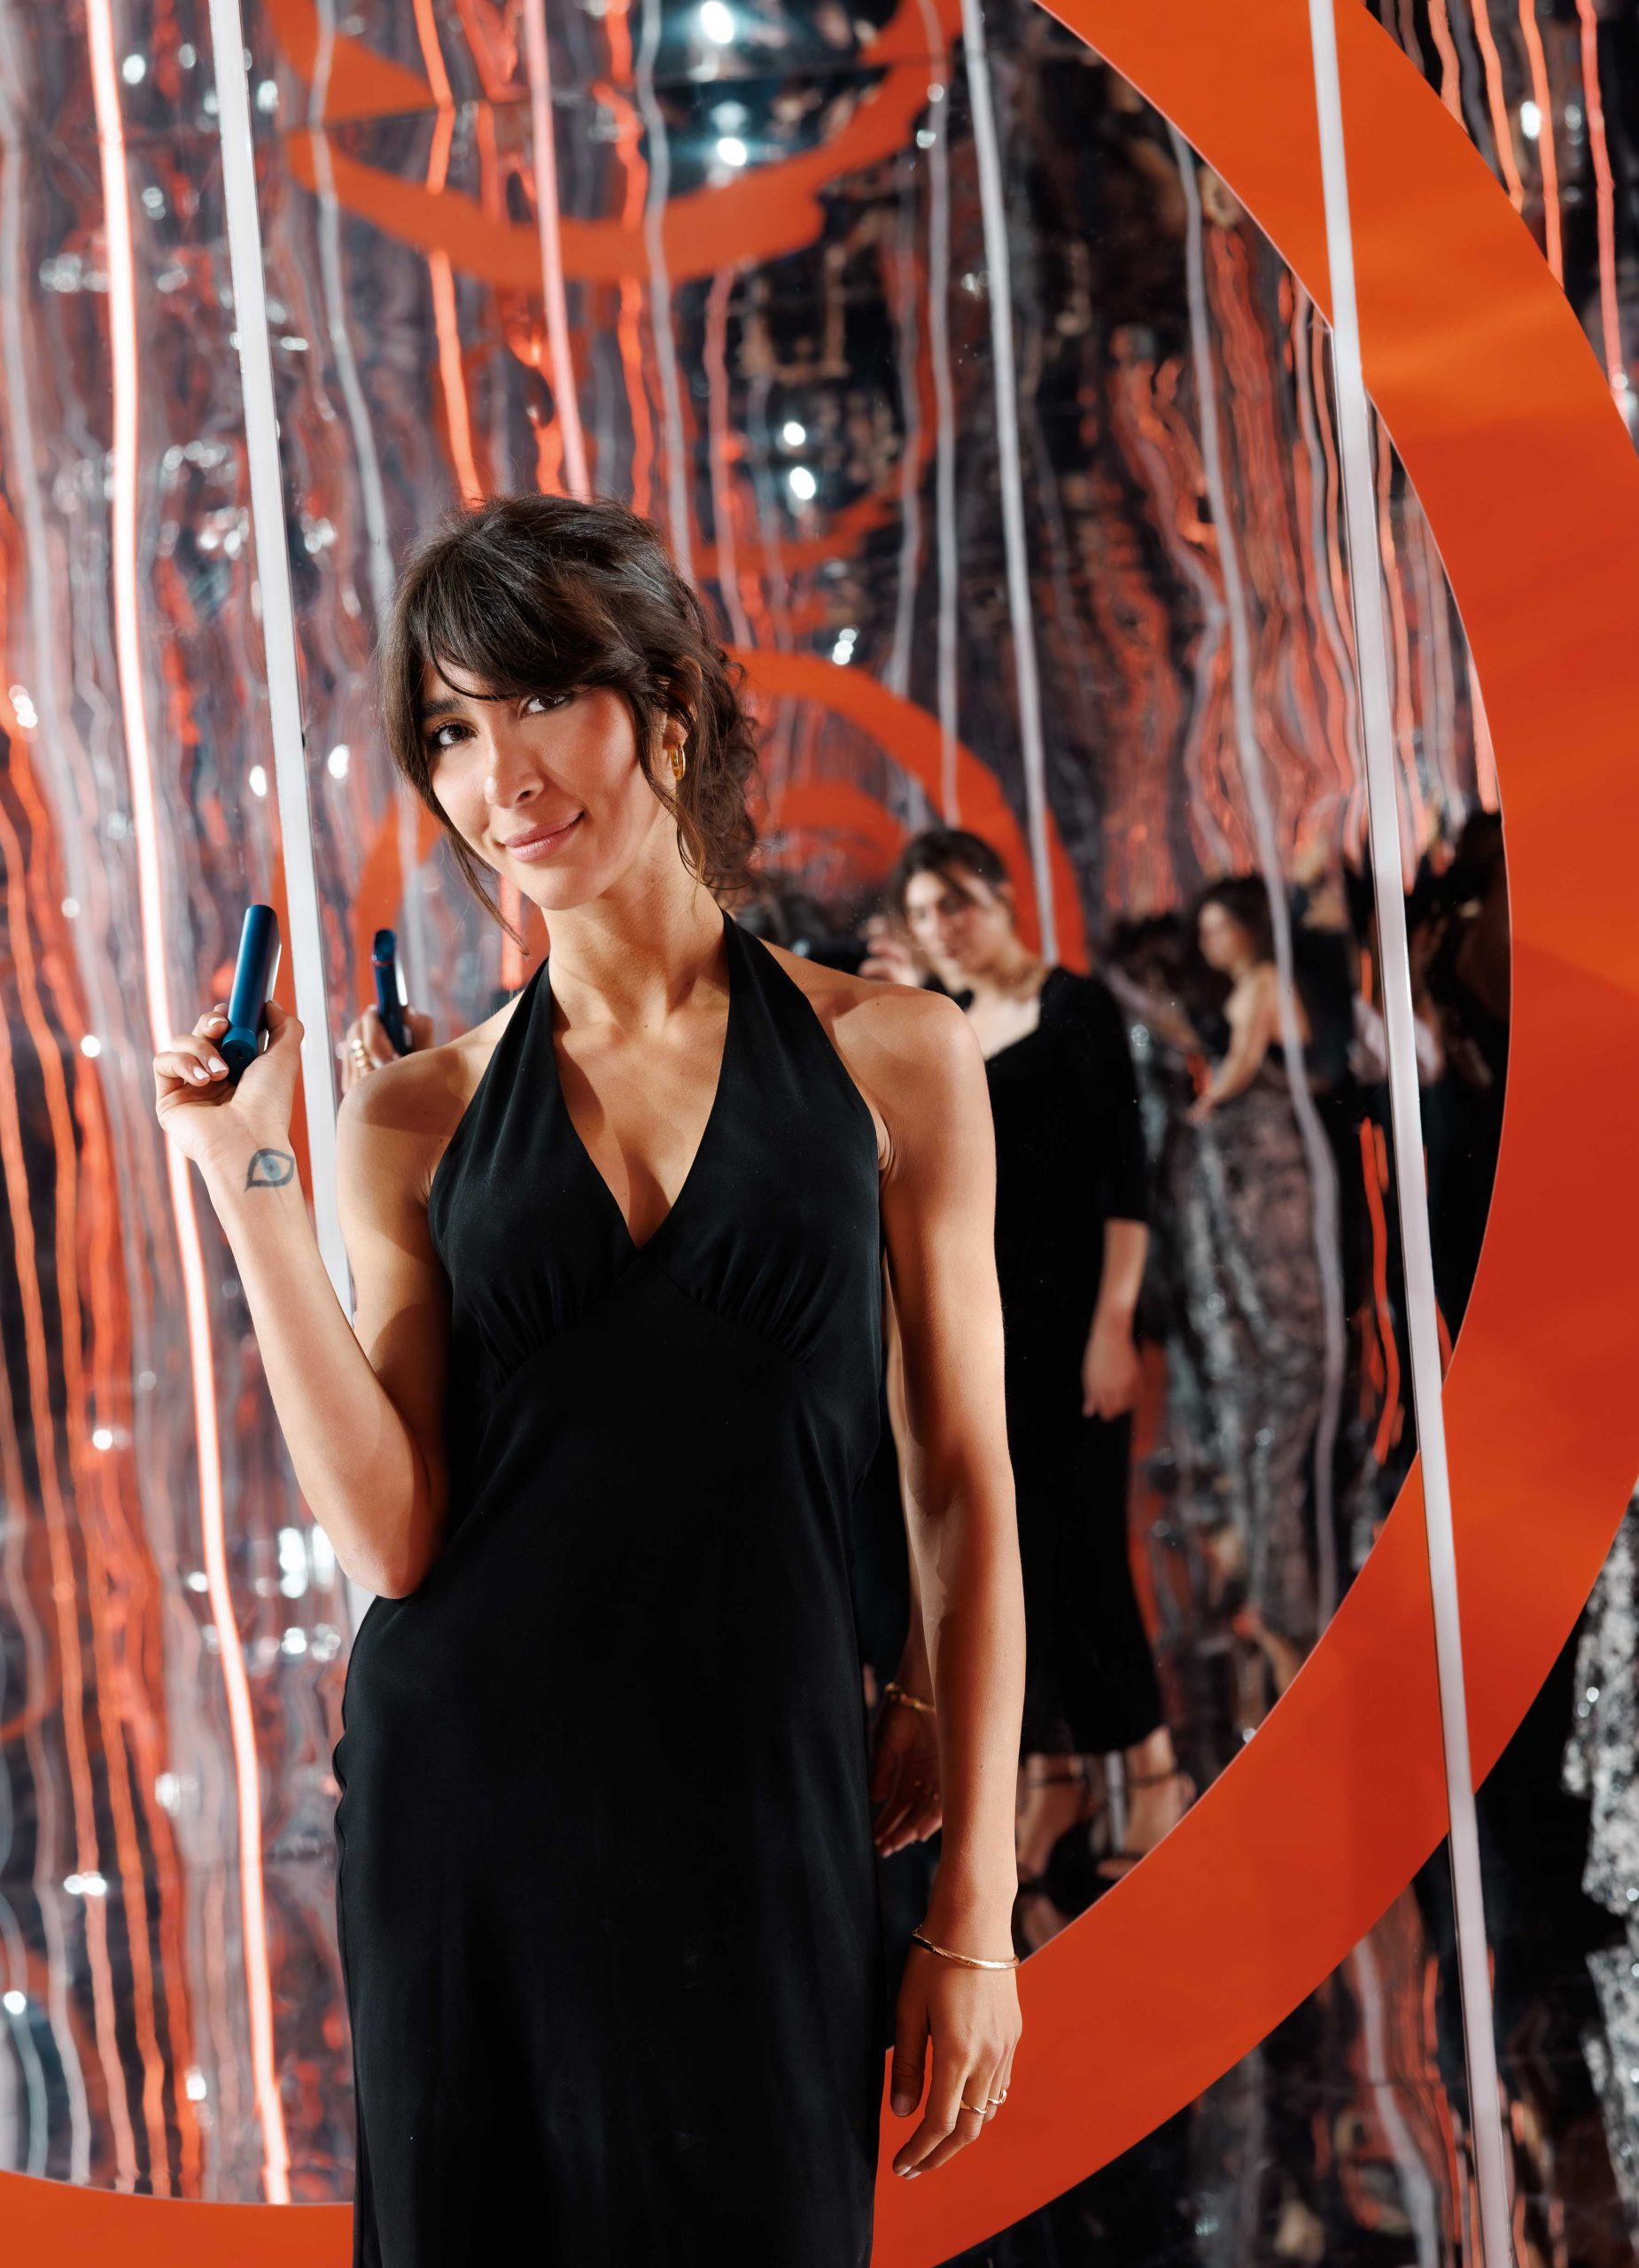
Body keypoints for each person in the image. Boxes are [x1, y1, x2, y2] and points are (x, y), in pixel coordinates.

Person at [151, 495, 1025, 2264]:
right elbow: (394, 1536)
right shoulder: (414, 1113)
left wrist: (975, 1906)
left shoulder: (893, 1055)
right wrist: (251, 1186)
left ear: (668, 705)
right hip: (465, 1819)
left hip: (766, 1800)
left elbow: (960, 1477)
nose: (501, 776)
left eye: (540, 698)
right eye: (452, 733)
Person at [865, 828, 1191, 1944]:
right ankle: (1052, 1778)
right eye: (924, 912)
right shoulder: (946, 1024)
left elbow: (1125, 1178)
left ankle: (1151, 1772)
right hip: (990, 1331)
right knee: (1024, 1560)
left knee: (1092, 1553)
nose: (942, 927)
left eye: (955, 903)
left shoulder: (1073, 1006)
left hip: (1073, 1327)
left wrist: (1113, 1324)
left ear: (1000, 897)